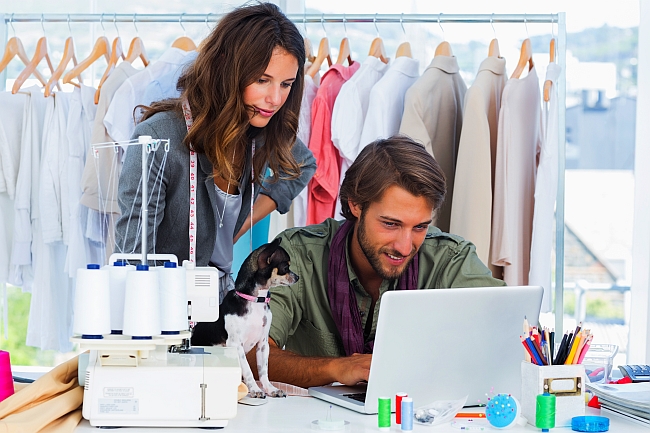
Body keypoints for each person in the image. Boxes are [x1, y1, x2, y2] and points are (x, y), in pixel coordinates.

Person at [261, 135, 505, 388]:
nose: (405, 246)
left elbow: (510, 334)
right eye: (391, 224)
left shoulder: (451, 259)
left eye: (420, 227)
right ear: (356, 204)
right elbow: (248, 353)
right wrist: (335, 368)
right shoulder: (298, 254)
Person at [114, 3, 316, 300]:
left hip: (223, 302)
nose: (275, 99)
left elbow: (304, 164)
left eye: (286, 84)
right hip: (166, 312)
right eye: (262, 80)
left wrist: (238, 225)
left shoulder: (259, 129)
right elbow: (133, 259)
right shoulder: (158, 139)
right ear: (225, 67)